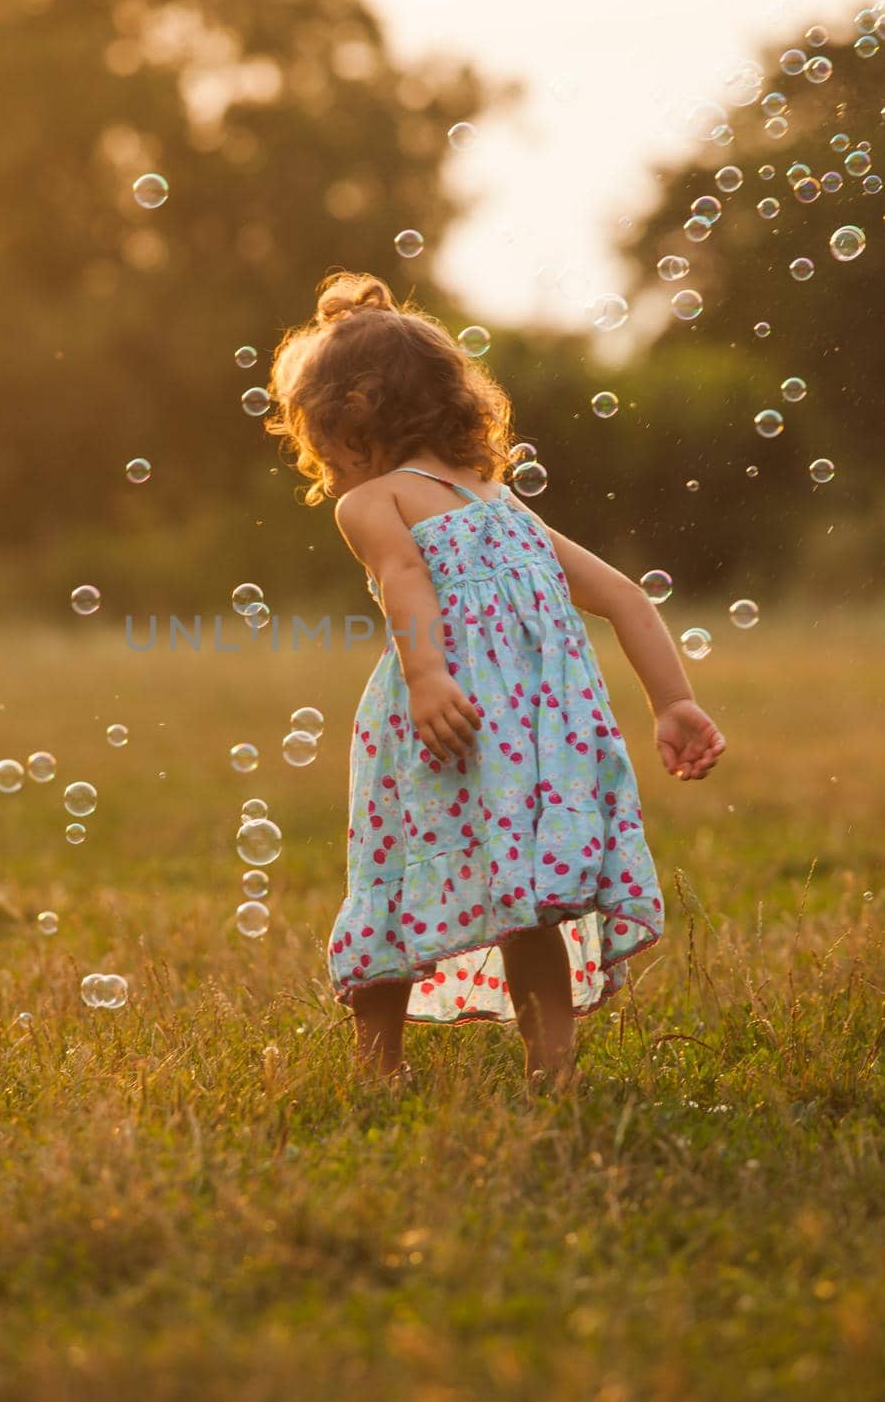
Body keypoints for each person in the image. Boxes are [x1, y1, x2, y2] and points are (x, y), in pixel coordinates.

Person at [265, 271, 726, 1093]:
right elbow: (623, 598)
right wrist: (673, 700)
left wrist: (430, 676)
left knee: (430, 880)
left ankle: (457, 1067)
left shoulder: (380, 499)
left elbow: (407, 576)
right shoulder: (502, 505)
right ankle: (491, 1067)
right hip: (494, 727)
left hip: (443, 711)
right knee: (514, 896)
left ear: (350, 416)